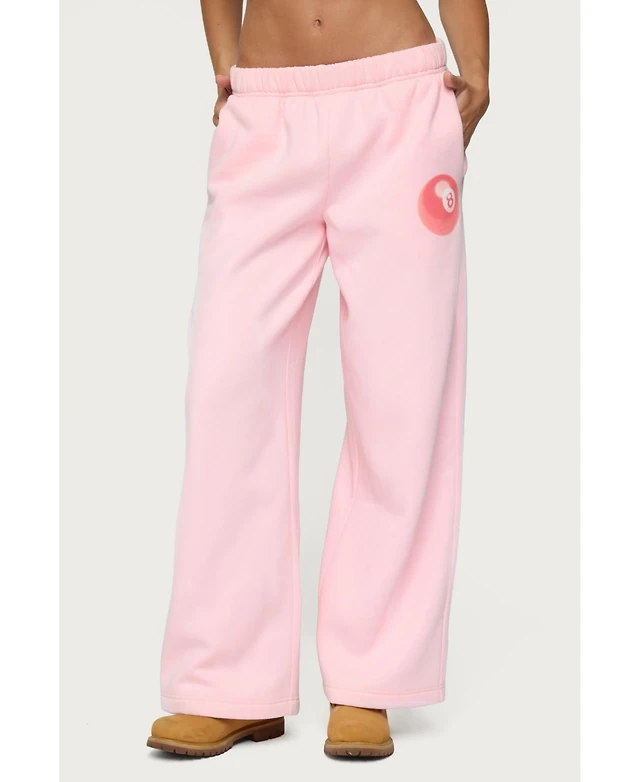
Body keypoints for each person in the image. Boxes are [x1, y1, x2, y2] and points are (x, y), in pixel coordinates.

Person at [147, 0, 489, 760]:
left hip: (399, 105)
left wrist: (478, 70)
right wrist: (224, 65)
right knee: (227, 393)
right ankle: (227, 681)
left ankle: (371, 678)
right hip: (264, 109)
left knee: (401, 397)